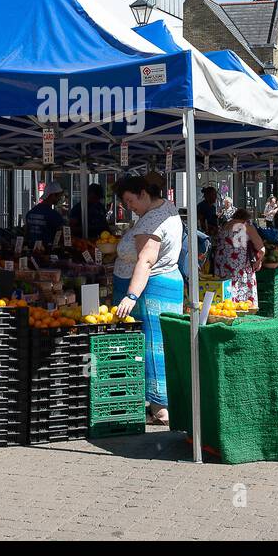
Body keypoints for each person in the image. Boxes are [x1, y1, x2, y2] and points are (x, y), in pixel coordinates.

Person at [111, 175, 184, 424]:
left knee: (152, 345)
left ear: (143, 193)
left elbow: (146, 260)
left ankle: (159, 407)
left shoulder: (150, 223)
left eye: (131, 201)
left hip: (151, 290)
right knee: (160, 342)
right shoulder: (166, 209)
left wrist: (132, 295)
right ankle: (161, 404)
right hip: (167, 283)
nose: (129, 207)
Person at [213, 208, 266, 310]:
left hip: (222, 265)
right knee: (241, 293)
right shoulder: (246, 226)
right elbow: (261, 249)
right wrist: (259, 261)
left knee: (225, 291)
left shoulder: (225, 226)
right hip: (239, 267)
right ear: (246, 218)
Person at [24, 181, 66, 248]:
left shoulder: (31, 212)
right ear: (52, 195)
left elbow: (26, 233)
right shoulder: (54, 215)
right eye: (59, 196)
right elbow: (62, 236)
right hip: (47, 251)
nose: (59, 199)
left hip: (31, 250)